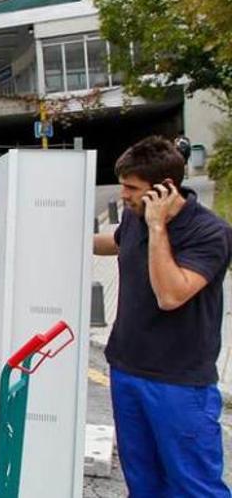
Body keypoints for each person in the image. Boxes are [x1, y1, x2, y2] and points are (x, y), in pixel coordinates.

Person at [93, 136, 232, 496]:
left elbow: (170, 294)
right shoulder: (137, 216)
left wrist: (158, 228)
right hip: (127, 370)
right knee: (142, 481)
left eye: (131, 188)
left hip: (179, 383)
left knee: (193, 484)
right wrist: (63, 235)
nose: (123, 195)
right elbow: (119, 242)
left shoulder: (210, 233)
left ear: (164, 189)